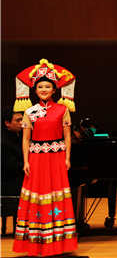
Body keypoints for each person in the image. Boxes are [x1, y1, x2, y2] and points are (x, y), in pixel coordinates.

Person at [12, 59, 78, 256]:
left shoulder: (63, 110)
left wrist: (67, 158)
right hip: (36, 160)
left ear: (54, 90)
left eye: (47, 86)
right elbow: (26, 139)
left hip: (56, 158)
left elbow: (67, 137)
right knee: (37, 196)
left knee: (56, 196)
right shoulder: (29, 111)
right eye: (40, 86)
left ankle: (58, 243)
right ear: (35, 89)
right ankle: (36, 243)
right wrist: (26, 161)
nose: (43, 89)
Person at [2, 108, 24, 197]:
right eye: (18, 120)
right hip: (10, 185)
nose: (22, 123)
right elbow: (12, 166)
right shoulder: (3, 142)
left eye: (22, 119)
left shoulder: (20, 135)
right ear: (7, 123)